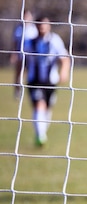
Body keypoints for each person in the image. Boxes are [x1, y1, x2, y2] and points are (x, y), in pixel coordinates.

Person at [21, 15, 71, 147]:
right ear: (36, 26)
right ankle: (40, 135)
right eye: (40, 24)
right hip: (34, 81)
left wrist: (64, 72)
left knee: (47, 109)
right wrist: (17, 78)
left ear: (49, 26)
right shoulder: (29, 43)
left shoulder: (55, 40)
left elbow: (64, 58)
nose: (42, 27)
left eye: (45, 24)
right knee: (39, 104)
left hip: (50, 82)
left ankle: (41, 132)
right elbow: (21, 62)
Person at [11, 9, 38, 99]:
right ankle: (17, 92)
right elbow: (15, 43)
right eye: (25, 16)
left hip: (31, 56)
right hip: (20, 55)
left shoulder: (34, 29)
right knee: (18, 74)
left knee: (30, 74)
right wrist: (14, 54)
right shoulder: (19, 29)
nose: (26, 18)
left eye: (28, 16)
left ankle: (30, 91)